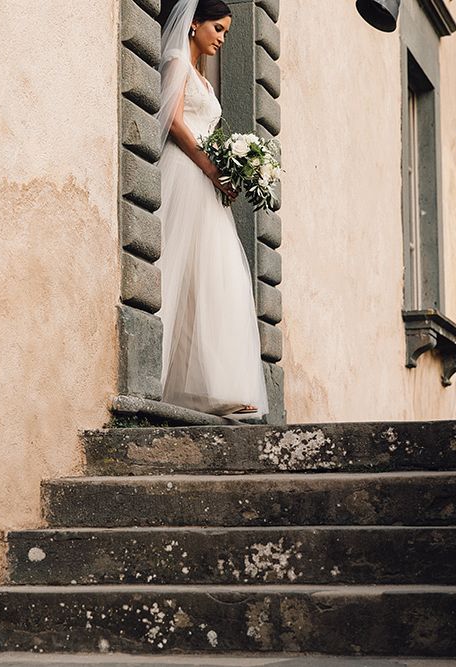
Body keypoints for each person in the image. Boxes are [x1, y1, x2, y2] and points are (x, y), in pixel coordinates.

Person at [155, 0, 269, 418]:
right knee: (181, 266)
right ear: (193, 25)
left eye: (225, 32)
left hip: (206, 183)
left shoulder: (202, 77)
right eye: (218, 28)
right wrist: (208, 165)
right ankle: (161, 378)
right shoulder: (175, 62)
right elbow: (170, 119)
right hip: (186, 176)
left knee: (212, 275)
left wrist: (232, 167)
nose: (221, 38)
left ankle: (210, 386)